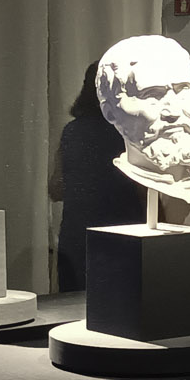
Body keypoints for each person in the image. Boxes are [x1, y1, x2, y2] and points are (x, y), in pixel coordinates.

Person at [49, 60, 148, 291]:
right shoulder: (130, 133)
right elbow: (143, 192)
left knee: (74, 307)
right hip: (123, 235)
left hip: (77, 238)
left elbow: (56, 189)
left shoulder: (72, 131)